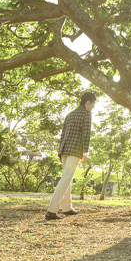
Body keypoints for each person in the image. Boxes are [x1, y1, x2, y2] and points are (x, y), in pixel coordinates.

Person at [45, 91, 97, 220]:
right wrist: (85, 152)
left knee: (67, 178)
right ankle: (51, 211)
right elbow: (86, 134)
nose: (93, 107)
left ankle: (67, 208)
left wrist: (60, 152)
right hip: (75, 150)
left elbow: (62, 134)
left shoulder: (69, 114)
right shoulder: (86, 113)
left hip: (64, 150)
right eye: (93, 104)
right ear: (88, 102)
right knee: (66, 178)